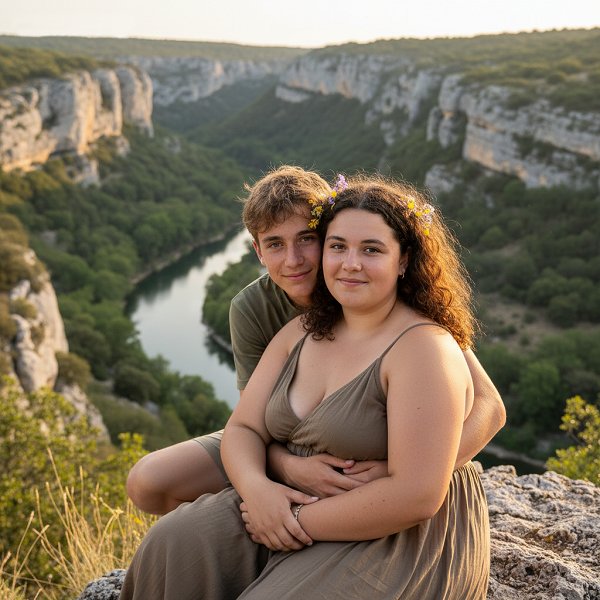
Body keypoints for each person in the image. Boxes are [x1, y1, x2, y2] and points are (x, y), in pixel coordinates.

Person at [120, 173, 493, 599]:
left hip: (394, 524)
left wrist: (298, 516)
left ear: (404, 260)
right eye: (339, 247)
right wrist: (261, 491)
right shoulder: (292, 324)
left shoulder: (424, 342)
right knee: (170, 545)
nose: (350, 263)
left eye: (371, 250)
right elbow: (245, 426)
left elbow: (426, 484)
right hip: (294, 477)